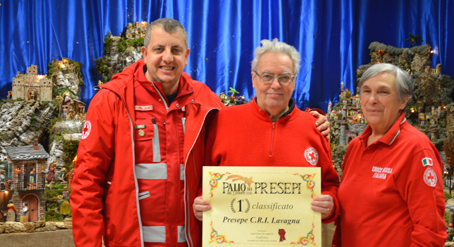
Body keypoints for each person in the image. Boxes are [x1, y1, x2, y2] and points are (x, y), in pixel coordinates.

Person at [71, 18, 330, 247]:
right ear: (144, 53)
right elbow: (86, 183)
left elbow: (252, 124)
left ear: (187, 55)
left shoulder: (205, 100)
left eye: (176, 50)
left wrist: (309, 122)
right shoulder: (113, 99)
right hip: (128, 241)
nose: (167, 58)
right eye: (159, 49)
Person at [193, 39, 339, 224]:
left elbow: (330, 185)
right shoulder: (222, 120)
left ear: (294, 82)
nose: (276, 85)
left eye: (284, 77)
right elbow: (203, 178)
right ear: (254, 79)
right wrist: (200, 201)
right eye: (267, 76)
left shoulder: (314, 127)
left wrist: (329, 203)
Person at [332, 63, 446, 246]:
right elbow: (346, 218)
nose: (372, 100)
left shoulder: (416, 149)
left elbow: (430, 231)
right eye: (366, 91)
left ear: (403, 100)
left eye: (383, 92)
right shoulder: (355, 146)